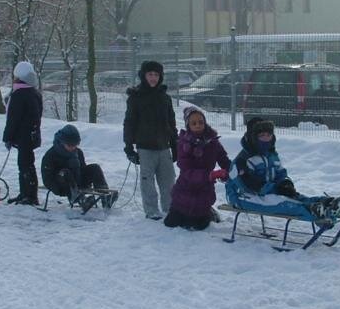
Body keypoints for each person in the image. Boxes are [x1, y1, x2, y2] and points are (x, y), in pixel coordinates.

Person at [226, 117, 340, 224]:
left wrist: (285, 184)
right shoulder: (242, 160)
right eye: (262, 136)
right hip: (243, 197)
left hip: (268, 193)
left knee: (296, 197)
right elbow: (247, 185)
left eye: (268, 135)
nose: (266, 139)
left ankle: (328, 204)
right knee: (283, 203)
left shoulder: (271, 155)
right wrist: (274, 188)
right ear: (253, 137)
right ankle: (316, 211)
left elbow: (280, 173)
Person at [123, 60, 177, 220]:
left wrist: (175, 145)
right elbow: (129, 123)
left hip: (164, 147)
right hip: (145, 148)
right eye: (150, 74)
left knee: (168, 180)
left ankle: (170, 208)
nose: (153, 78)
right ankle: (151, 210)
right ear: (143, 76)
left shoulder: (165, 98)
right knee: (147, 181)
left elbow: (171, 123)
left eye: (156, 74)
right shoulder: (135, 97)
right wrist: (128, 147)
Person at [164, 106, 231, 231]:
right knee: (170, 223)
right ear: (188, 125)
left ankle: (208, 212)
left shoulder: (213, 142)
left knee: (198, 226)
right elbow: (186, 170)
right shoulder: (183, 143)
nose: (198, 125)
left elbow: (224, 159)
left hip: (204, 191)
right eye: (194, 123)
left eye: (201, 122)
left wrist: (229, 171)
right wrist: (210, 175)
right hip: (184, 189)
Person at [40, 124, 114, 212]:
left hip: (77, 182)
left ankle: (105, 196)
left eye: (75, 145)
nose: (73, 148)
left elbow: (83, 169)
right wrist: (57, 186)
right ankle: (80, 199)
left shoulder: (78, 153)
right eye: (70, 145)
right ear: (62, 142)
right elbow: (47, 179)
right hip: (61, 186)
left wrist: (86, 180)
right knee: (65, 172)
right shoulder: (51, 155)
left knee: (95, 168)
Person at [3, 61, 43, 205]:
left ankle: (29, 196)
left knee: (25, 166)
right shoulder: (34, 93)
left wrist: (7, 137)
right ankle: (25, 193)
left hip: (23, 136)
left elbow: (13, 119)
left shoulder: (18, 94)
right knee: (27, 164)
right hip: (31, 135)